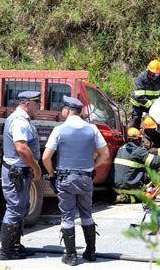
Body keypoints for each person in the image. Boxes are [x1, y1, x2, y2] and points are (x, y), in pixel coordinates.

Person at [42, 96, 110, 266]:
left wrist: (51, 172)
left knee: (67, 216)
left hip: (65, 179)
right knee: (87, 214)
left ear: (67, 110)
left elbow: (46, 157)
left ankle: (71, 256)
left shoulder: (59, 130)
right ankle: (91, 252)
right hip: (86, 178)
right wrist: (92, 166)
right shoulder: (92, 129)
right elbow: (105, 154)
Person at [0, 91, 42, 260]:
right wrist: (36, 167)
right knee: (15, 209)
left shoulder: (21, 120)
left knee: (21, 208)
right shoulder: (19, 122)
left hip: (19, 172)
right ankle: (7, 251)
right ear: (27, 104)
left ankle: (15, 246)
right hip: (16, 172)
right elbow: (22, 148)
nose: (37, 108)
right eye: (35, 104)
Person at [109, 127, 160, 203]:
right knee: (146, 197)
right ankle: (127, 198)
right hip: (130, 188)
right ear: (137, 139)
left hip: (115, 187)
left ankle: (122, 197)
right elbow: (155, 162)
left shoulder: (121, 148)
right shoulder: (138, 150)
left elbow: (146, 153)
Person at [130, 59, 160, 129]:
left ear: (159, 73)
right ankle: (134, 136)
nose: (153, 76)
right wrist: (150, 105)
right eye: (151, 73)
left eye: (156, 74)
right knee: (135, 120)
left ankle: (156, 136)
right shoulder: (141, 77)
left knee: (157, 122)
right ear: (148, 70)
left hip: (153, 106)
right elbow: (138, 95)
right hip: (139, 105)